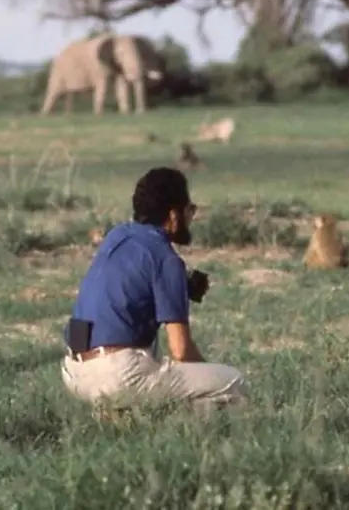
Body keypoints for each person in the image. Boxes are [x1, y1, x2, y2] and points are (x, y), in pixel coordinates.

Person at [60, 166, 247, 413]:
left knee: (152, 356)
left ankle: (120, 412)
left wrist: (180, 287)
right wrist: (204, 372)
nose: (192, 217)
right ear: (173, 215)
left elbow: (129, 284)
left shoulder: (117, 236)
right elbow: (181, 350)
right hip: (117, 375)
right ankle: (151, 420)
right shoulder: (167, 260)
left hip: (74, 374)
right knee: (235, 384)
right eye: (190, 209)